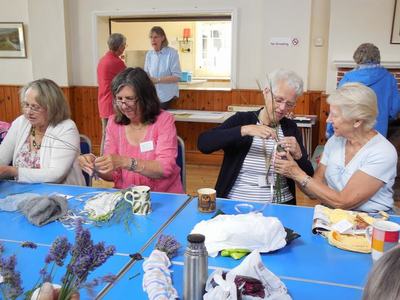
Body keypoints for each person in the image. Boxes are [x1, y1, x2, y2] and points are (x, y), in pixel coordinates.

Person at [275, 83, 398, 213]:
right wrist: (294, 164)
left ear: (357, 121)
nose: (328, 120)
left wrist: (296, 173)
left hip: (371, 220)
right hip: (333, 215)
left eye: (334, 115)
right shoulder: (335, 141)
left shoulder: (382, 152)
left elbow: (343, 201)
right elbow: (312, 191)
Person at [197, 69, 314, 204]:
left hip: (280, 205)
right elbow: (203, 144)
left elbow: (309, 174)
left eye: (289, 104)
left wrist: (299, 155)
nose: (282, 108)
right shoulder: (243, 120)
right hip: (237, 203)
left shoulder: (290, 128)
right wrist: (245, 130)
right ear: (266, 92)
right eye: (279, 100)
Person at [79, 67, 183, 193]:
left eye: (129, 99)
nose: (123, 105)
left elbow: (165, 168)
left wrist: (125, 162)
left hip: (163, 197)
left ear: (145, 98)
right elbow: (113, 175)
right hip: (127, 198)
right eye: (119, 99)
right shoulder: (114, 123)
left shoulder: (164, 120)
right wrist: (95, 165)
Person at [0, 79, 85, 185]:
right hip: (23, 192)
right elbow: (2, 157)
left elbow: (56, 175)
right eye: (26, 105)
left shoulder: (66, 128)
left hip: (60, 194)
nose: (28, 112)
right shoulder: (21, 122)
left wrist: (13, 171)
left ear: (52, 107)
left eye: (35, 107)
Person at [326, 43, 400, 138]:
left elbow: (336, 106)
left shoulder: (348, 78)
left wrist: (329, 131)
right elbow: (394, 109)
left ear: (357, 58)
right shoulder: (389, 78)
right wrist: (383, 118)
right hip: (378, 133)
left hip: (350, 132)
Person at [97, 33, 127, 154]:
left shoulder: (102, 60)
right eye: (124, 45)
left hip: (103, 101)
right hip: (112, 103)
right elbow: (129, 78)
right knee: (115, 135)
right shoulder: (116, 62)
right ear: (119, 46)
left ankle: (101, 161)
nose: (124, 47)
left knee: (105, 135)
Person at [144, 26, 181, 110]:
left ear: (163, 38)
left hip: (168, 96)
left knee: (161, 121)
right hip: (152, 97)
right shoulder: (149, 54)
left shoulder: (172, 53)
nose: (153, 40)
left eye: (156, 37)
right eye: (151, 37)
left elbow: (177, 77)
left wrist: (158, 80)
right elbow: (146, 74)